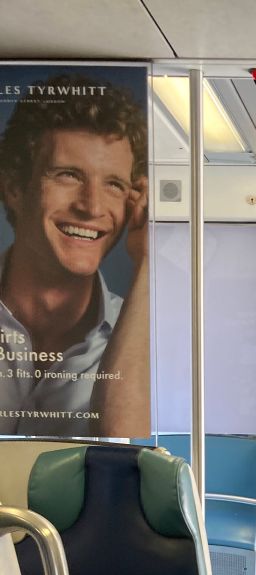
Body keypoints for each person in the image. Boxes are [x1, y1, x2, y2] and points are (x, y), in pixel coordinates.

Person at [0, 72, 149, 436]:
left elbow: (121, 451)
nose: (92, 207)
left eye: (114, 184)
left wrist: (150, 260)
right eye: (68, 175)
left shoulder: (145, 339)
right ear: (15, 188)